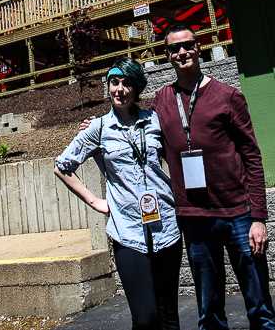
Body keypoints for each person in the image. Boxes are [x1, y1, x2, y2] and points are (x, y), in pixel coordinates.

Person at [150, 22, 275, 330]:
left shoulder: (228, 95)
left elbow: (252, 156)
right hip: (194, 217)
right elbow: (137, 134)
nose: (182, 52)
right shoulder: (161, 101)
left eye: (188, 45)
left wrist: (258, 217)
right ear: (167, 55)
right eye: (173, 48)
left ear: (199, 47)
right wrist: (99, 127)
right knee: (209, 309)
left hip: (238, 214)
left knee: (259, 302)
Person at [54, 56, 183, 330]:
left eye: (126, 84)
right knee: (146, 318)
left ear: (136, 89)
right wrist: (96, 201)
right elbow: (62, 167)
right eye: (114, 83)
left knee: (169, 315)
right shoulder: (98, 128)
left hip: (167, 226)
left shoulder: (154, 120)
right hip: (128, 231)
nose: (119, 90)